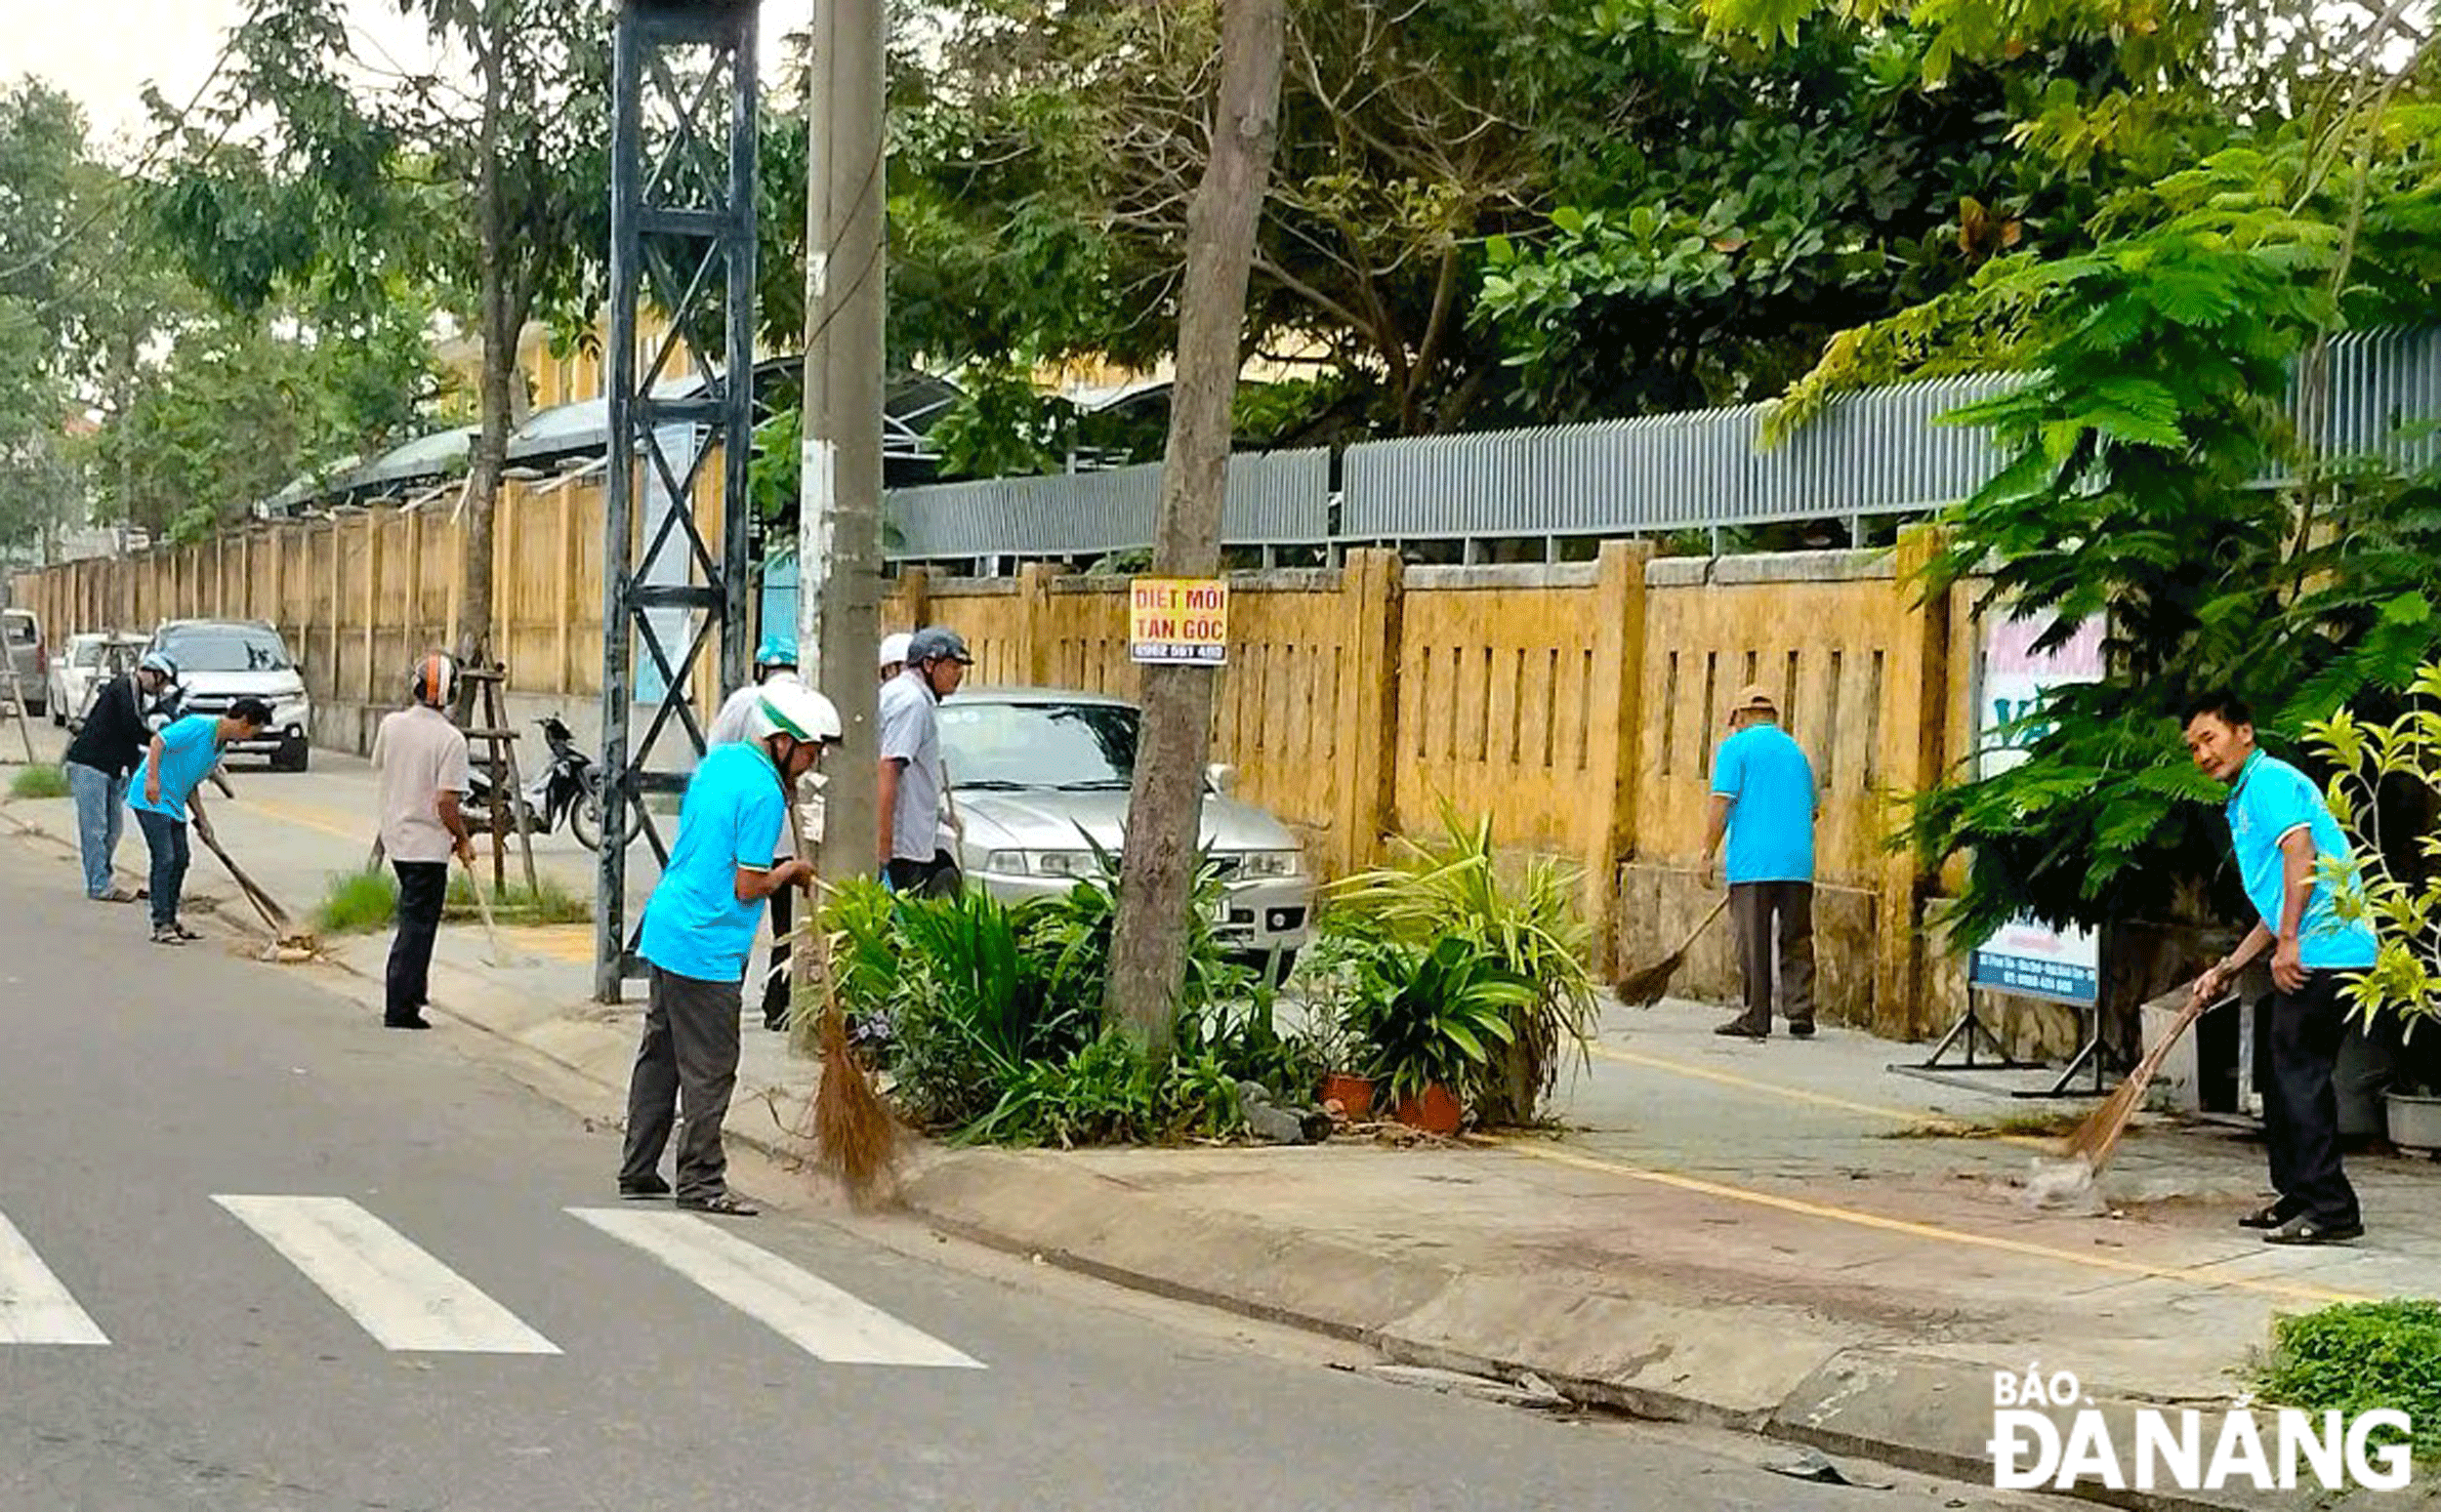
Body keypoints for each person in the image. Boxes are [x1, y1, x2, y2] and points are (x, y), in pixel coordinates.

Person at [619, 680, 841, 1215]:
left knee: (661, 1056)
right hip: (708, 944)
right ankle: (701, 1183)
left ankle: (639, 1167)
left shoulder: (718, 764)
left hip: (668, 926)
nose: (813, 763)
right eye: (810, 750)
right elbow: (747, 886)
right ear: (782, 741)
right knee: (711, 1067)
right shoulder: (764, 792)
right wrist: (790, 871)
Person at [2182, 690, 2373, 1246]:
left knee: (2299, 1073)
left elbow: (2302, 858)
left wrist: (2291, 941)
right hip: (2309, 945)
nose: (2202, 755)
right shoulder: (2247, 793)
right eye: (2194, 747)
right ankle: (2299, 1194)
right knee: (2281, 1065)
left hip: (2330, 950)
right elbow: (2275, 902)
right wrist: (2229, 968)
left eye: (2209, 739)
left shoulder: (2268, 782)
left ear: (2244, 731)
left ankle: (2332, 1209)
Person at [1700, 684, 1819, 1041]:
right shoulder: (1797, 752)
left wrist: (1707, 852)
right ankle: (1801, 1013)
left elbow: (1722, 803)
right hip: (1798, 862)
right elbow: (1813, 811)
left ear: (1739, 717)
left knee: (1753, 940)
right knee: (1797, 937)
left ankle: (1756, 1015)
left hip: (1753, 863)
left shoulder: (1735, 748)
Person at [705, 633, 804, 1031]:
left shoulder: (745, 701)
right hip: (785, 837)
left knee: (740, 919)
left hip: (746, 832)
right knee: (786, 927)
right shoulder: (805, 705)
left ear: (762, 667)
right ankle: (778, 1006)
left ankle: (726, 1002)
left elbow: (715, 753)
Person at [371, 654, 475, 1032]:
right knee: (417, 927)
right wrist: (461, 838)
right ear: (452, 695)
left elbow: (382, 767)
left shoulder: (391, 725)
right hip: (427, 846)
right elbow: (447, 800)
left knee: (415, 921)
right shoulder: (451, 740)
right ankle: (400, 1006)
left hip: (396, 838)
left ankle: (414, 993)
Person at [128, 697, 273, 947]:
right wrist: (152, 779)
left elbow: (191, 781)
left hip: (175, 801)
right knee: (165, 858)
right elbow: (158, 741)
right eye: (253, 731)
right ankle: (161, 923)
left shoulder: (218, 749)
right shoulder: (198, 725)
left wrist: (203, 820)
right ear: (244, 722)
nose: (250, 738)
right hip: (151, 797)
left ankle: (172, 918)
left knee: (181, 859)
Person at [62, 651, 178, 903]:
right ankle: (99, 884)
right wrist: (159, 741)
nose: (160, 690)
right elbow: (132, 728)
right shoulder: (123, 688)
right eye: (161, 683)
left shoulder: (136, 695)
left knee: (113, 829)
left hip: (113, 769)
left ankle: (103, 875)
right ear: (153, 674)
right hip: (89, 764)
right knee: (95, 828)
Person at [878, 626, 971, 897]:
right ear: (929, 664)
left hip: (907, 839)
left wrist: (943, 815)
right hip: (902, 845)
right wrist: (884, 843)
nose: (959, 674)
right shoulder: (912, 703)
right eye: (953, 665)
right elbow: (888, 767)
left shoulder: (903, 695)